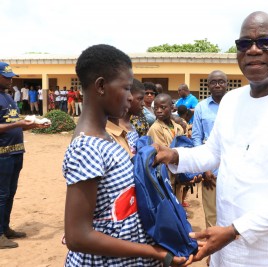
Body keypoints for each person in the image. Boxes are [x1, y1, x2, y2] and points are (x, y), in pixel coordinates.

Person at [153, 11, 268, 267]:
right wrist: (173, 155)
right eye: (244, 44)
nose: (254, 50)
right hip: (226, 252)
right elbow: (212, 152)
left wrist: (235, 230)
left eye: (265, 42)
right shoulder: (232, 101)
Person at [62, 44, 190, 266]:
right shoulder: (87, 148)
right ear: (101, 86)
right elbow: (77, 236)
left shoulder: (118, 137)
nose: (131, 97)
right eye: (126, 88)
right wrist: (156, 253)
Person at [0, 62, 50, 249]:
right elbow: (12, 125)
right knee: (1, 195)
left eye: (11, 76)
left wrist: (34, 125)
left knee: (10, 194)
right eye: (6, 76)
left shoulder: (8, 97)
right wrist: (18, 124)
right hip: (2, 156)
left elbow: (14, 122)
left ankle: (5, 228)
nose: (10, 79)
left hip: (16, 152)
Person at [191, 70, 227, 231]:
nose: (218, 84)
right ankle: (213, 253)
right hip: (210, 171)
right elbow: (197, 139)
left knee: (233, 212)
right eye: (213, 82)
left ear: (227, 84)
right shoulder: (201, 107)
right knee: (212, 213)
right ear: (208, 85)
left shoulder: (235, 105)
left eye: (221, 81)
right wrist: (204, 168)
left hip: (233, 168)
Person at [147, 93, 186, 204]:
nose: (159, 111)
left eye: (163, 107)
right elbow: (163, 154)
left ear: (172, 107)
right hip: (165, 174)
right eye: (156, 108)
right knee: (168, 204)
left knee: (177, 203)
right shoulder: (156, 128)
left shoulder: (177, 127)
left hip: (177, 171)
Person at [119, 78, 145, 156]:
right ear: (128, 97)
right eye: (140, 99)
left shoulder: (132, 127)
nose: (143, 103)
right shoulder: (117, 129)